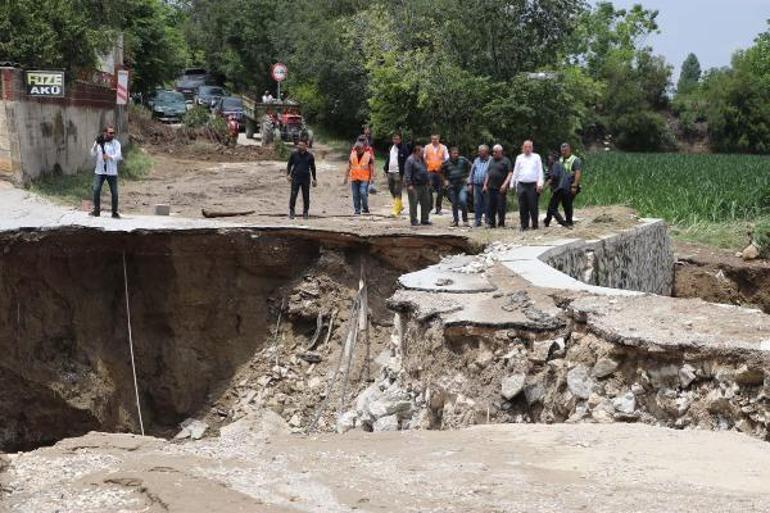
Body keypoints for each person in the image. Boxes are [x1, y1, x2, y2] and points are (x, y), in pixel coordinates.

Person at [89, 126, 122, 218]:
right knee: (96, 189)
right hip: (100, 171)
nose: (112, 135)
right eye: (110, 133)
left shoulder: (116, 143)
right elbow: (92, 153)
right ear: (105, 133)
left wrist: (110, 157)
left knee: (114, 192)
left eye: (113, 133)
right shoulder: (99, 142)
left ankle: (114, 212)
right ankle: (96, 210)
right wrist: (96, 145)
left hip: (112, 172)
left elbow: (119, 156)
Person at [512, 140, 544, 231]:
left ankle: (535, 224)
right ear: (522, 148)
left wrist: (540, 184)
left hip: (533, 184)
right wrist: (512, 183)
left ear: (532, 148)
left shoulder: (536, 157)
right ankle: (524, 225)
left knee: (533, 206)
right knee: (522, 206)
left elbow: (540, 171)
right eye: (526, 147)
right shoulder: (519, 157)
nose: (527, 149)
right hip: (521, 184)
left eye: (529, 147)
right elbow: (516, 171)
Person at [482, 144, 513, 228]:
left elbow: (510, 173)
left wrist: (505, 184)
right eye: (493, 152)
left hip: (501, 188)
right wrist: (485, 185)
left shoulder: (506, 161)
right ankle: (491, 223)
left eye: (495, 152)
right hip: (491, 187)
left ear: (500, 152)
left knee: (501, 206)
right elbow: (488, 173)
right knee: (491, 206)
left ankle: (501, 223)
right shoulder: (491, 161)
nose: (493, 153)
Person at [286, 140, 317, 219]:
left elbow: (313, 168)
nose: (299, 147)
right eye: (299, 145)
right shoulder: (294, 154)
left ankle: (305, 212)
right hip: (295, 177)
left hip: (306, 178)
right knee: (293, 195)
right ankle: (292, 211)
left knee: (306, 196)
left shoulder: (310, 156)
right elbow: (289, 164)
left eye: (301, 145)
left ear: (305, 146)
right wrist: (288, 174)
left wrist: (314, 179)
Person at [442, 146, 472, 227]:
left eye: (457, 153)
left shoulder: (463, 160)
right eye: (454, 153)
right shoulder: (446, 163)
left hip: (462, 185)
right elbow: (441, 172)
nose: (456, 155)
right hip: (451, 186)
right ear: (450, 154)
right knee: (454, 203)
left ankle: (465, 220)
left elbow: (472, 167)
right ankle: (455, 220)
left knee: (462, 201)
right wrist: (445, 180)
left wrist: (469, 178)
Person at [404, 143, 432, 226]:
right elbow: (407, 173)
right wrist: (409, 184)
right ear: (416, 152)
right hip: (414, 186)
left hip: (424, 185)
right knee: (413, 204)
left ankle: (425, 219)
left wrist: (428, 180)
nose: (423, 153)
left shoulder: (422, 159)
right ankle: (414, 220)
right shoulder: (410, 160)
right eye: (422, 152)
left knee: (426, 203)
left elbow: (425, 171)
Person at [557, 142, 583, 227]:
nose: (564, 152)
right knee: (565, 203)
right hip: (563, 186)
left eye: (565, 150)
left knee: (567, 202)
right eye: (562, 150)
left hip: (572, 185)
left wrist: (574, 185)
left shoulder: (575, 160)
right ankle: (568, 220)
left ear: (569, 150)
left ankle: (569, 222)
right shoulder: (560, 159)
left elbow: (578, 173)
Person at [383, 133, 409, 217]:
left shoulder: (404, 149)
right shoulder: (391, 148)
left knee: (398, 190)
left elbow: (407, 162)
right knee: (391, 190)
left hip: (398, 172)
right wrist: (385, 169)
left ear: (400, 139)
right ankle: (399, 205)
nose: (395, 140)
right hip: (390, 172)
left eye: (397, 139)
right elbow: (388, 159)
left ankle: (395, 210)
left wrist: (405, 174)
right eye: (394, 139)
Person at [344, 142, 374, 215]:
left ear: (363, 148)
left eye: (359, 149)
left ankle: (365, 208)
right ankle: (357, 210)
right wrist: (346, 177)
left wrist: (372, 177)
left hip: (364, 178)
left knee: (363, 192)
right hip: (354, 178)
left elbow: (371, 168)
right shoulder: (352, 156)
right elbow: (349, 167)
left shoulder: (368, 156)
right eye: (356, 149)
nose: (357, 151)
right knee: (355, 195)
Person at [423, 134, 449, 215]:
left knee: (440, 190)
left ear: (439, 139)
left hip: (440, 172)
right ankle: (430, 207)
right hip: (430, 171)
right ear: (431, 139)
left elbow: (447, 158)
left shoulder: (443, 147)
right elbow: (423, 157)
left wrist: (443, 166)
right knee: (429, 189)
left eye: (436, 139)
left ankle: (438, 208)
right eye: (433, 139)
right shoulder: (427, 147)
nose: (434, 140)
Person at [468, 145, 491, 227]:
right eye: (479, 151)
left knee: (487, 203)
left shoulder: (491, 160)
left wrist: (486, 184)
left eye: (481, 151)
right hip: (476, 185)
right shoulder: (476, 160)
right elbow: (472, 172)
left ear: (486, 152)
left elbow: (490, 173)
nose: (479, 152)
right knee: (477, 203)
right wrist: (470, 183)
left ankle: (488, 221)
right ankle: (477, 221)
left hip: (487, 185)